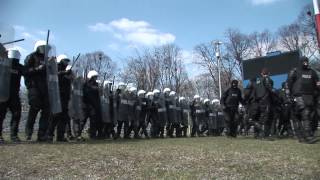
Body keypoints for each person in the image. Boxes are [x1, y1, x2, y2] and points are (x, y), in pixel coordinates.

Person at [287, 56, 318, 144]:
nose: (305, 63)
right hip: (299, 96)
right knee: (305, 114)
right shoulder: (295, 71)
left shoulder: (312, 72)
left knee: (309, 116)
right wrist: (290, 96)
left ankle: (304, 136)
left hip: (310, 97)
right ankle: (307, 136)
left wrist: (316, 94)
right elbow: (288, 84)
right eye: (304, 61)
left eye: (306, 61)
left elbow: (317, 84)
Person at [24, 40, 51, 142]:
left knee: (46, 112)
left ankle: (42, 134)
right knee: (34, 110)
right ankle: (28, 133)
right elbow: (25, 71)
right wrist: (37, 68)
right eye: (44, 47)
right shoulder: (31, 56)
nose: (46, 50)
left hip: (46, 89)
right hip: (34, 88)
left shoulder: (48, 59)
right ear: (38, 47)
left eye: (47, 48)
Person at [0, 49, 24, 143]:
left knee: (16, 114)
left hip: (13, 94)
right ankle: (11, 136)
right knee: (2, 115)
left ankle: (14, 135)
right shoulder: (2, 64)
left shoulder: (19, 67)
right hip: (3, 93)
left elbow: (28, 72)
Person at [252, 68, 274, 140]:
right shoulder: (267, 79)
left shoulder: (258, 81)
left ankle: (261, 133)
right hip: (266, 100)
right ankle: (264, 135)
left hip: (259, 101)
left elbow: (254, 92)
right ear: (269, 73)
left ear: (261, 73)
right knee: (266, 117)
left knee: (262, 116)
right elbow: (270, 89)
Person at [83, 70, 103, 139]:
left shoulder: (97, 85)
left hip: (94, 106)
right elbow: (86, 94)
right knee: (83, 120)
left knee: (93, 121)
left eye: (96, 77)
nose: (95, 78)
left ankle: (92, 135)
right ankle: (78, 134)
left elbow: (97, 96)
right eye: (94, 77)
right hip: (87, 105)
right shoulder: (86, 84)